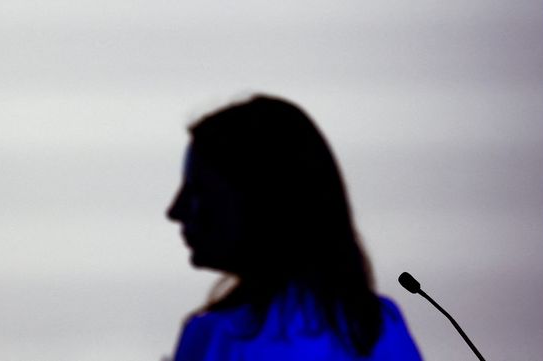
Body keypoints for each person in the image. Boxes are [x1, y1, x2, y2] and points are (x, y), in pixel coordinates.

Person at [166, 94, 423, 361]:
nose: (174, 211)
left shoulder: (216, 337)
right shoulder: (383, 329)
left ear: (263, 202)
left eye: (198, 190)